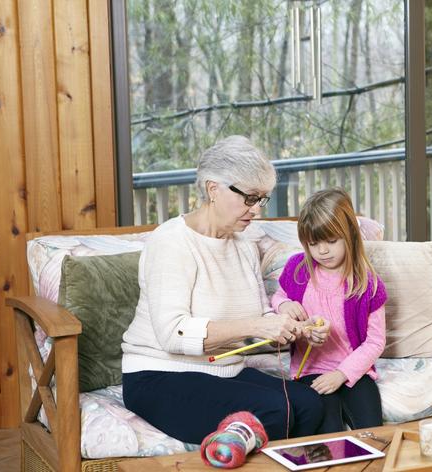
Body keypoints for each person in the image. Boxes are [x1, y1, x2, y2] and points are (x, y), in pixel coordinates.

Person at [121, 136, 328, 444]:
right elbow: (173, 334)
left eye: (262, 199)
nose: (256, 210)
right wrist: (258, 325)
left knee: (312, 404)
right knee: (274, 411)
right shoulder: (172, 242)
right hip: (160, 377)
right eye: (249, 198)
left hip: (224, 371)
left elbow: (260, 315)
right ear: (213, 188)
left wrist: (294, 327)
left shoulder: (243, 244)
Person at [272, 188, 387, 433]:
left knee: (372, 432)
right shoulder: (297, 269)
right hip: (309, 371)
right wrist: (284, 305)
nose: (322, 251)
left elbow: (375, 342)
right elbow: (279, 296)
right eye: (314, 244)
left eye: (331, 241)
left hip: (353, 371)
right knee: (328, 432)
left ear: (350, 236)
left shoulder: (368, 284)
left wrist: (341, 374)